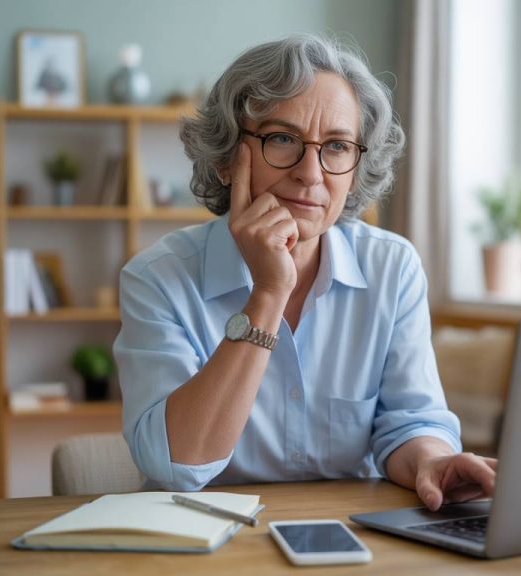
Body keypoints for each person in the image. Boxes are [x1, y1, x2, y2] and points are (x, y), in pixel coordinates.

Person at [114, 34, 495, 511]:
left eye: (336, 146)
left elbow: (409, 422)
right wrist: (268, 294)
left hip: (349, 533)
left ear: (355, 169)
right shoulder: (158, 278)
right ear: (227, 159)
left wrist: (430, 462)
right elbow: (176, 465)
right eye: (282, 139)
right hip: (205, 538)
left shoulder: (392, 268)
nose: (311, 174)